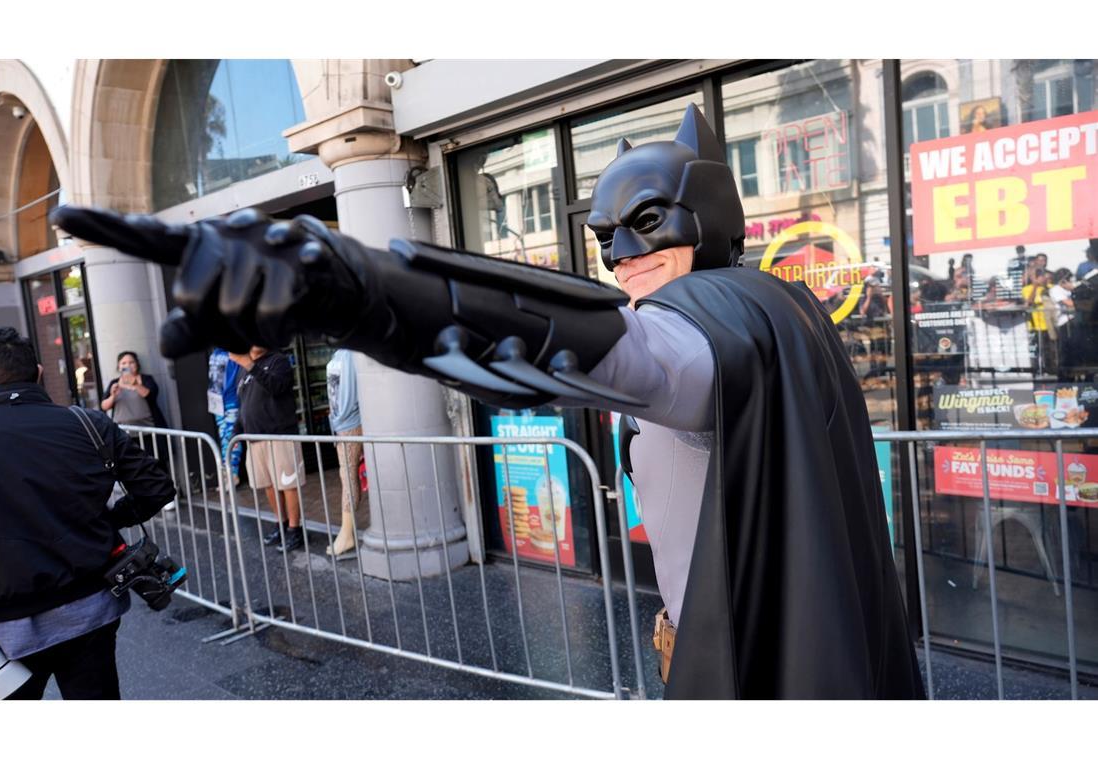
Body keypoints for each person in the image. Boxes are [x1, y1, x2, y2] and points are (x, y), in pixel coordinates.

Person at [51, 104, 924, 699]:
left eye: (648, 223)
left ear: (708, 212)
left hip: (754, 660)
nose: (621, 254)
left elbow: (629, 358)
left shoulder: (713, 323)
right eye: (604, 238)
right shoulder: (788, 308)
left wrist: (360, 289)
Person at [0, 327, 175, 699]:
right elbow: (157, 488)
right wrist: (109, 520)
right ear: (39, 372)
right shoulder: (88, 424)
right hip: (90, 610)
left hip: (1, 630)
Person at [233, 345, 306, 553]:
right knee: (269, 485)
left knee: (287, 483)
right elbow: (243, 404)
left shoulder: (278, 361)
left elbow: (277, 386)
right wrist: (236, 433)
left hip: (279, 434)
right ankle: (281, 525)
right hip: (254, 438)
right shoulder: (243, 368)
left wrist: (250, 366)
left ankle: (295, 529)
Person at [324, 348, 363, 557]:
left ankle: (347, 534)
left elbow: (349, 392)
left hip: (349, 423)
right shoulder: (339, 352)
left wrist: (339, 421)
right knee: (346, 474)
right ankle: (347, 533)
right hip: (341, 423)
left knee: (348, 475)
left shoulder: (349, 353)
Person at [100, 350, 167, 427]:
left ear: (137, 365)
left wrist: (135, 384)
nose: (128, 366)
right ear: (119, 367)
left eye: (131, 362)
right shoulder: (115, 382)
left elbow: (151, 396)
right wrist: (113, 396)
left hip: (148, 429)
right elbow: (104, 406)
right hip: (123, 431)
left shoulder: (146, 379)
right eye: (123, 363)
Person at [207, 347, 243, 487]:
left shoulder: (235, 350)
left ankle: (232, 474)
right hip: (216, 400)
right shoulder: (215, 352)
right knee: (224, 437)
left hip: (231, 400)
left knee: (231, 437)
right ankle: (227, 474)